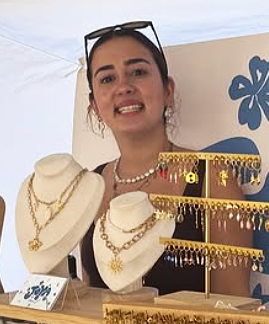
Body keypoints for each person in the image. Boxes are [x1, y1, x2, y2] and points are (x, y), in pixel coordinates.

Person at [80, 21, 252, 297]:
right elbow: (89, 298)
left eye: (138, 72)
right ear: (94, 106)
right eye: (107, 79)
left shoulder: (212, 181)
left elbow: (234, 306)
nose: (124, 87)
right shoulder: (89, 187)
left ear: (167, 90)